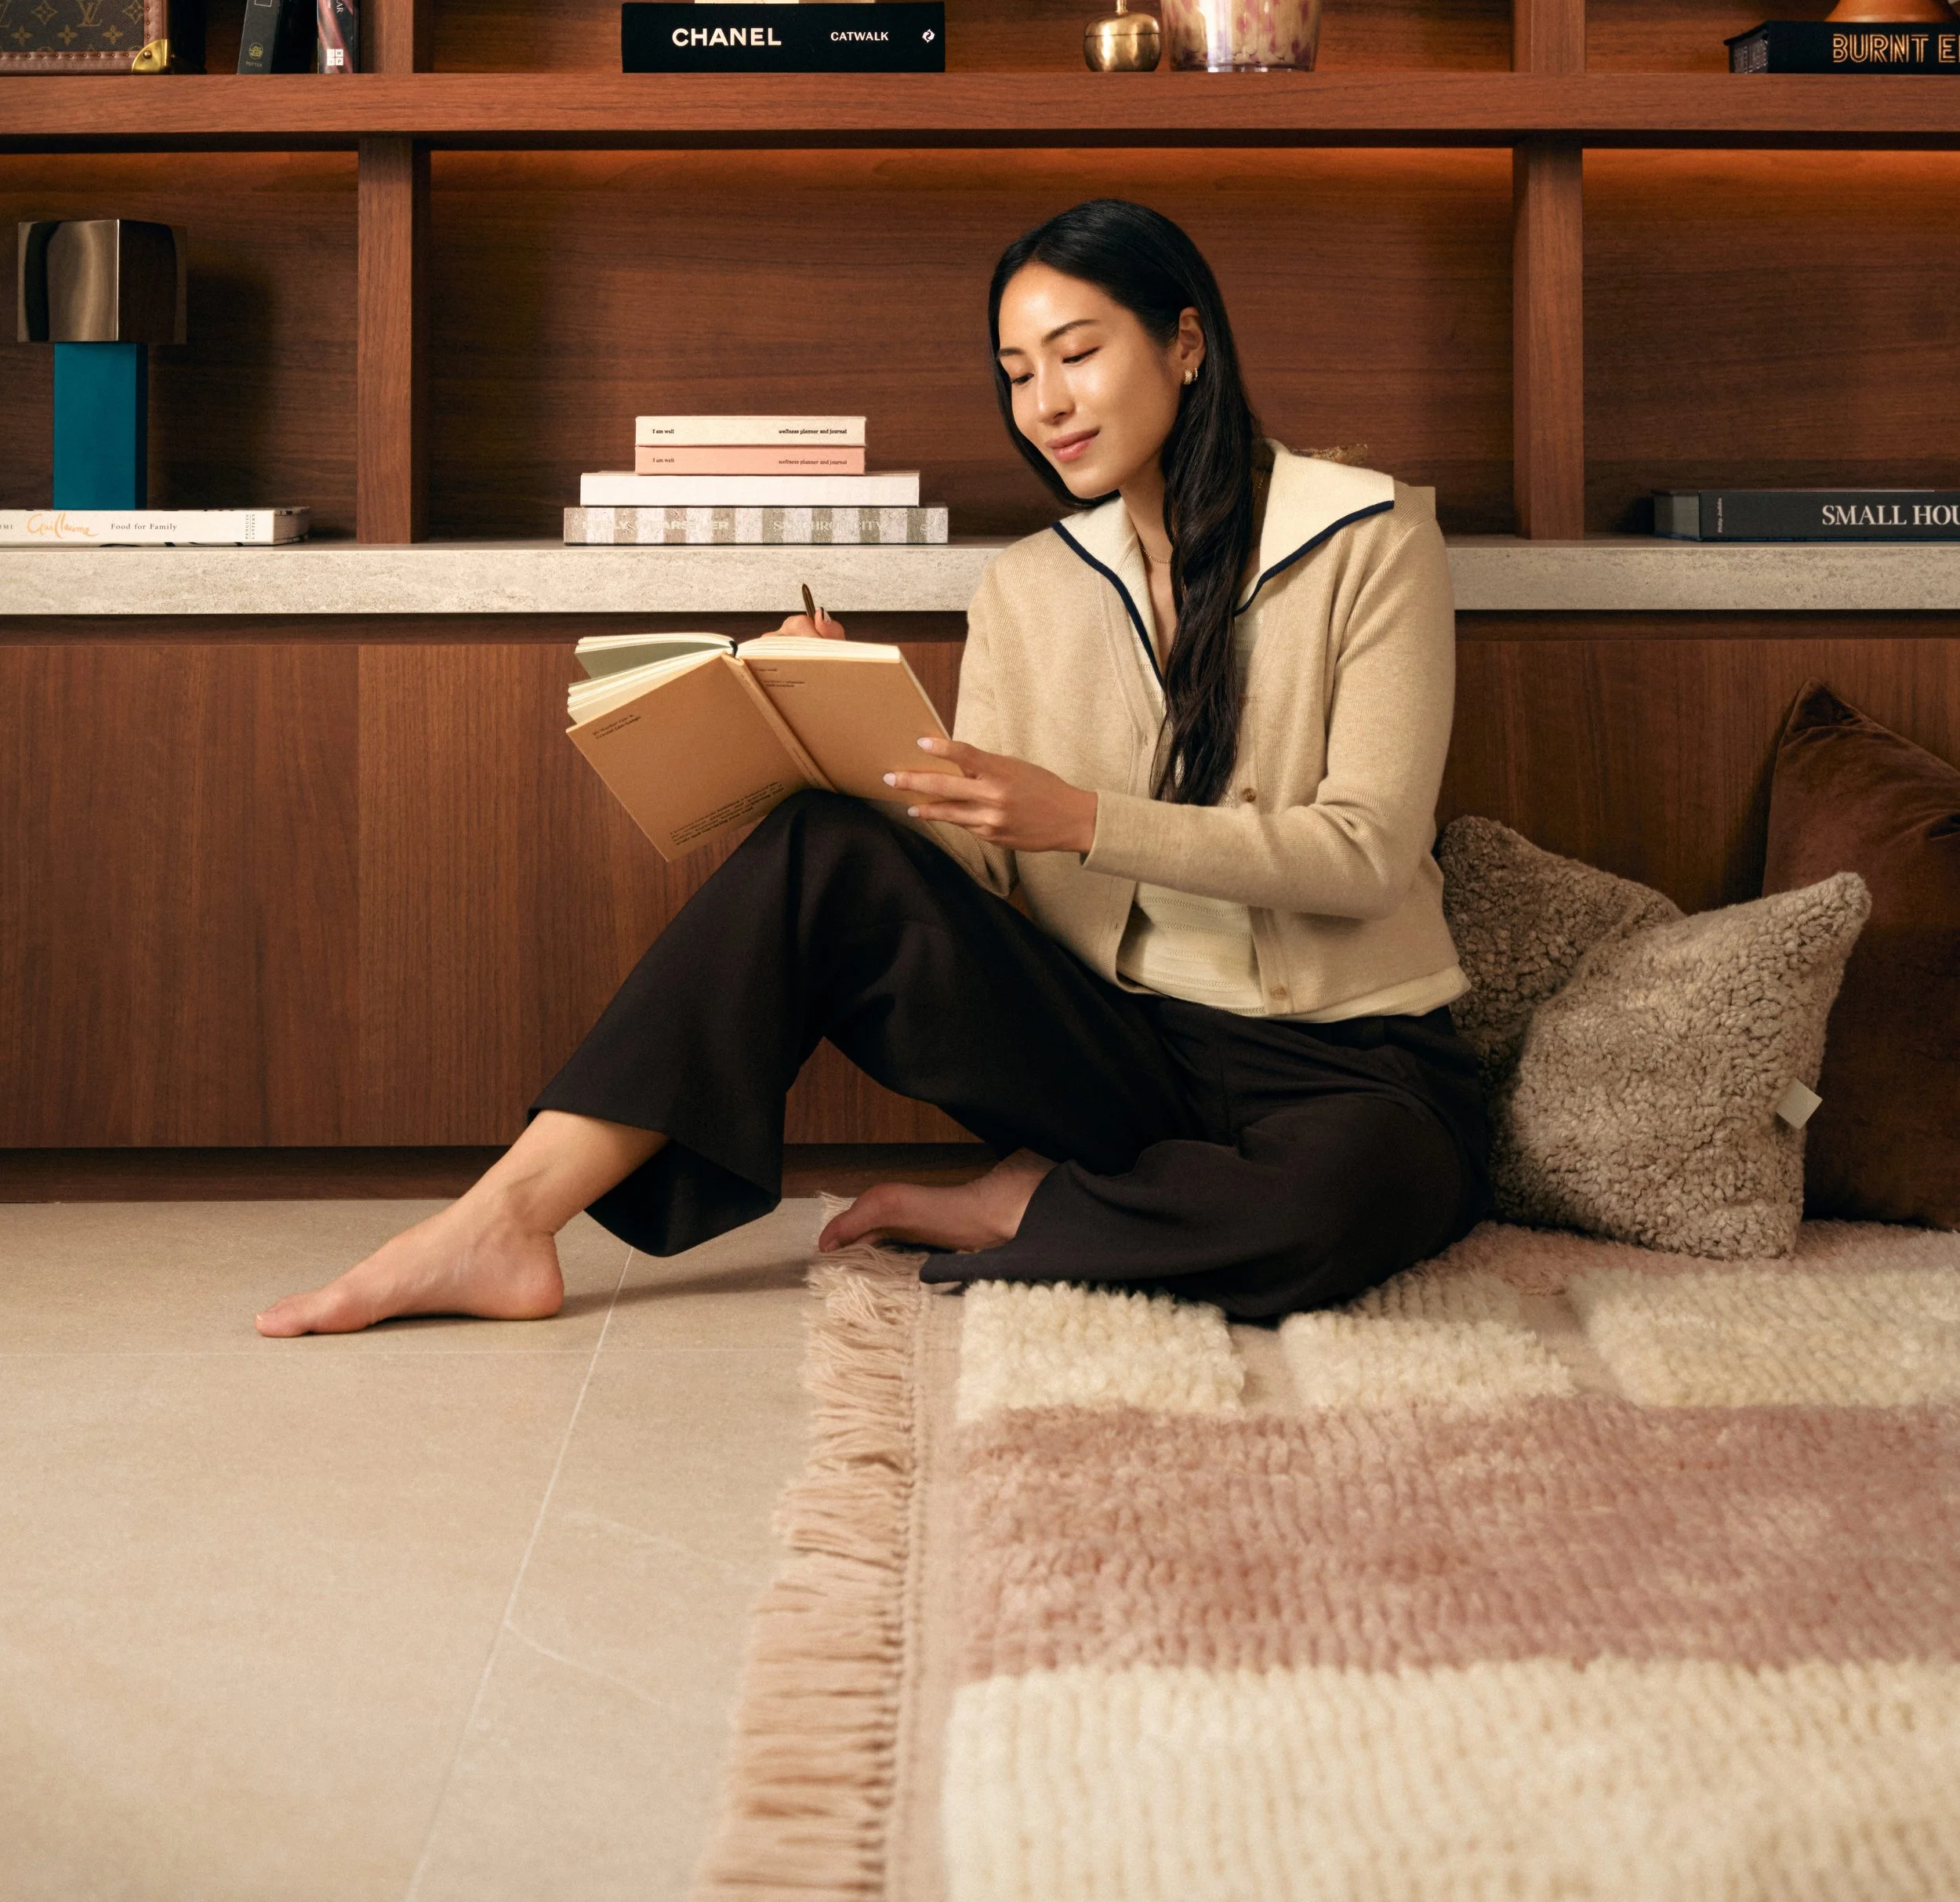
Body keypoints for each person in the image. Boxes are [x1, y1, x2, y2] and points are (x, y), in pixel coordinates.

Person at [257, 198, 1487, 1339]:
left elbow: (1367, 853)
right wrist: (844, 730)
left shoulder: (1370, 538)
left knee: (1345, 1211)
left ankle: (1031, 1208)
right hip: (1121, 1052)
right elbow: (988, 865)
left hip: (1348, 1066)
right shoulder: (1031, 584)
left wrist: (1083, 818)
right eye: (1016, 375)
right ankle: (507, 1219)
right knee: (821, 850)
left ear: (1185, 344)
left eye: (1076, 352)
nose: (1045, 403)